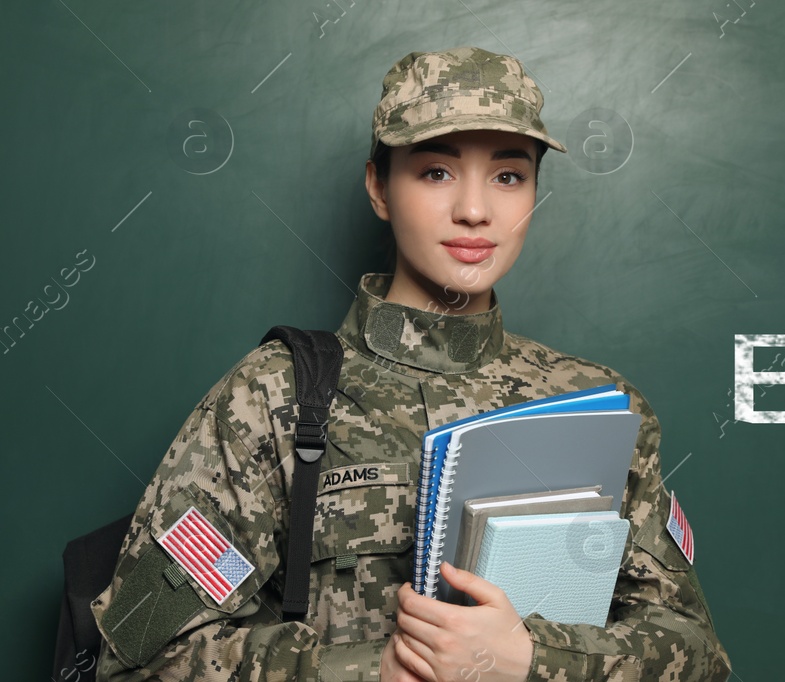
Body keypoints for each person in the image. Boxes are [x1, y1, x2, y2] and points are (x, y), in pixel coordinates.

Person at [88, 45, 732, 681]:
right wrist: (375, 671)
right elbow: (140, 659)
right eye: (436, 172)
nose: (475, 210)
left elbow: (697, 651)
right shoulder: (273, 398)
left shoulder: (600, 408)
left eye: (509, 176)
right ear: (378, 187)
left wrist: (536, 659)